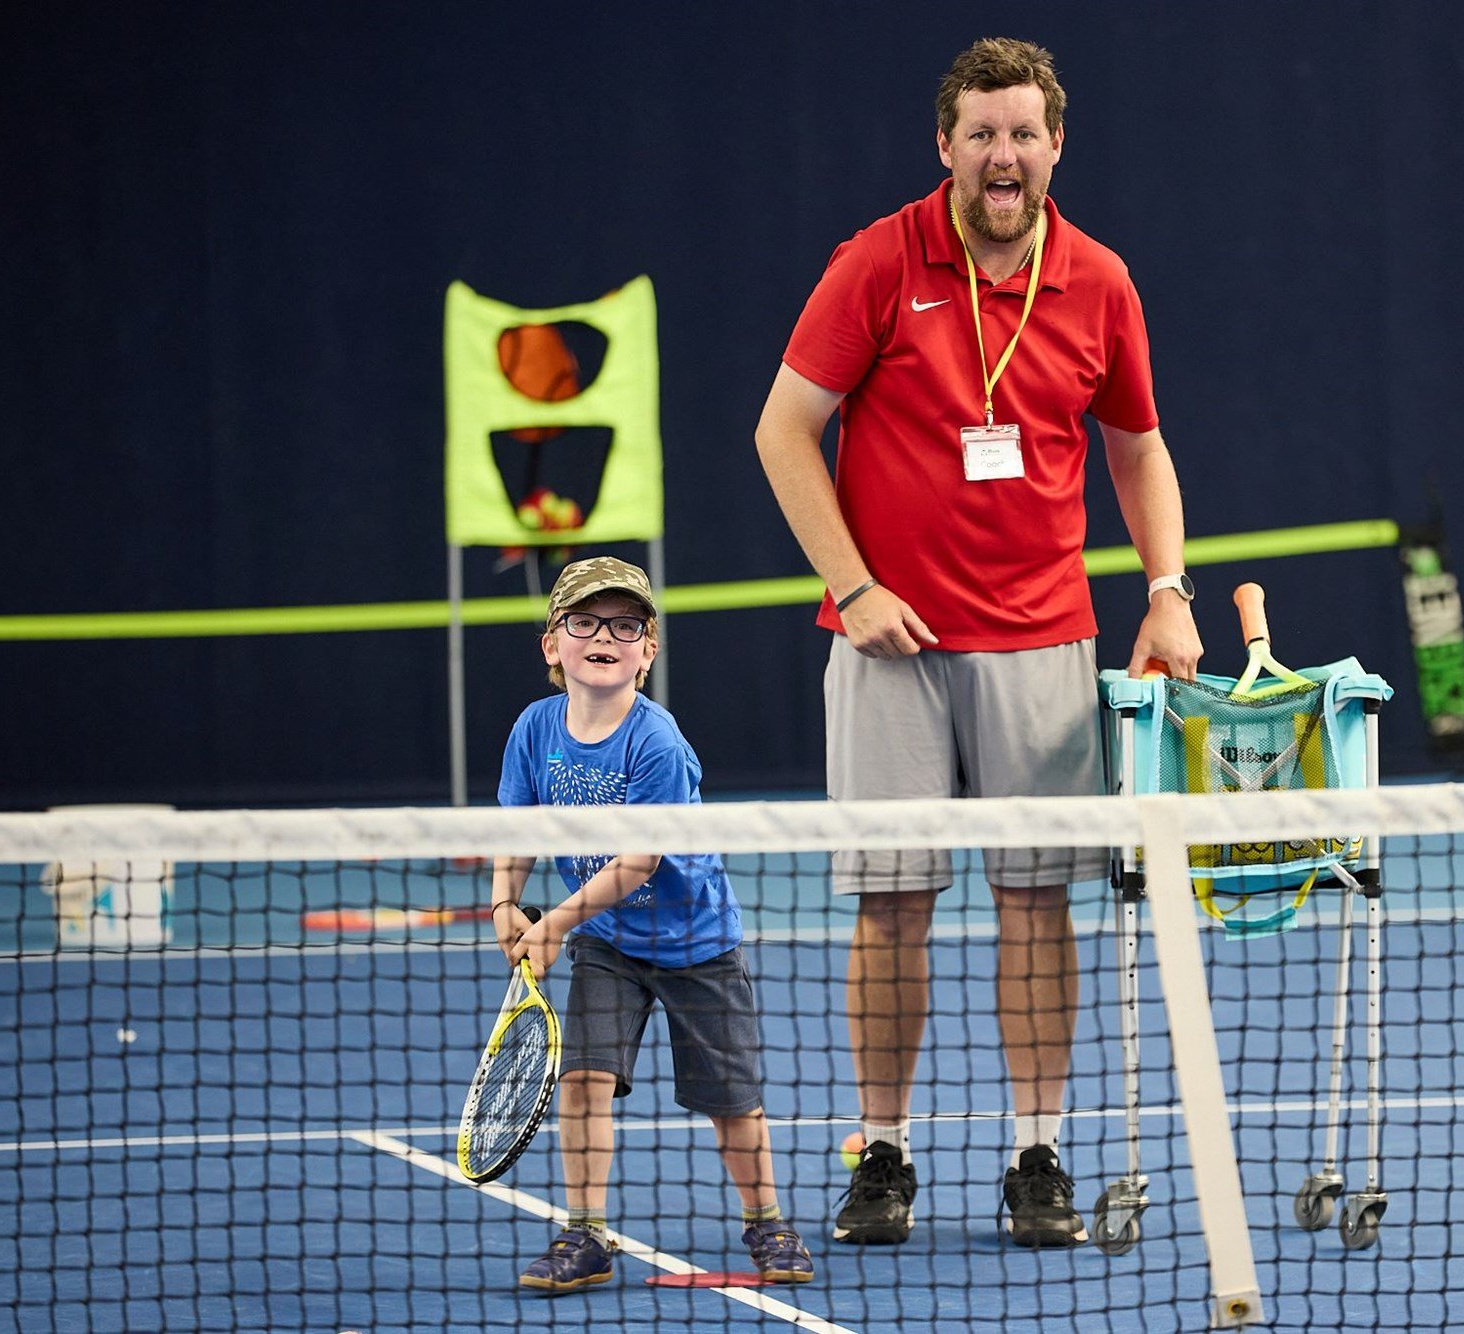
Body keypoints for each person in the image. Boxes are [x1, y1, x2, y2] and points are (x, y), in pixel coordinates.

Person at [754, 37, 1202, 1248]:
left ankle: (1035, 1151)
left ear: (1056, 145)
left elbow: (1136, 444)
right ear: (943, 145)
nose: (1001, 156)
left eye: (1021, 134)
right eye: (980, 134)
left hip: (1041, 639)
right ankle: (882, 1152)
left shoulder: (1099, 280)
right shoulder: (876, 264)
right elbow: (784, 430)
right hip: (888, 644)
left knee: (1031, 900)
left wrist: (1166, 589)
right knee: (889, 906)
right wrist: (850, 588)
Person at [492, 556, 814, 1291]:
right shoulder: (534, 728)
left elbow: (636, 863)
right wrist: (505, 901)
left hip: (697, 945)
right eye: (584, 622)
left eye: (625, 624)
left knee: (732, 1103)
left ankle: (766, 1220)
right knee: (581, 1081)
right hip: (609, 946)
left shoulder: (657, 741)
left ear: (648, 648)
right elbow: (518, 823)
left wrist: (555, 925)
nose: (604, 635)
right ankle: (585, 1235)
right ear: (552, 643)